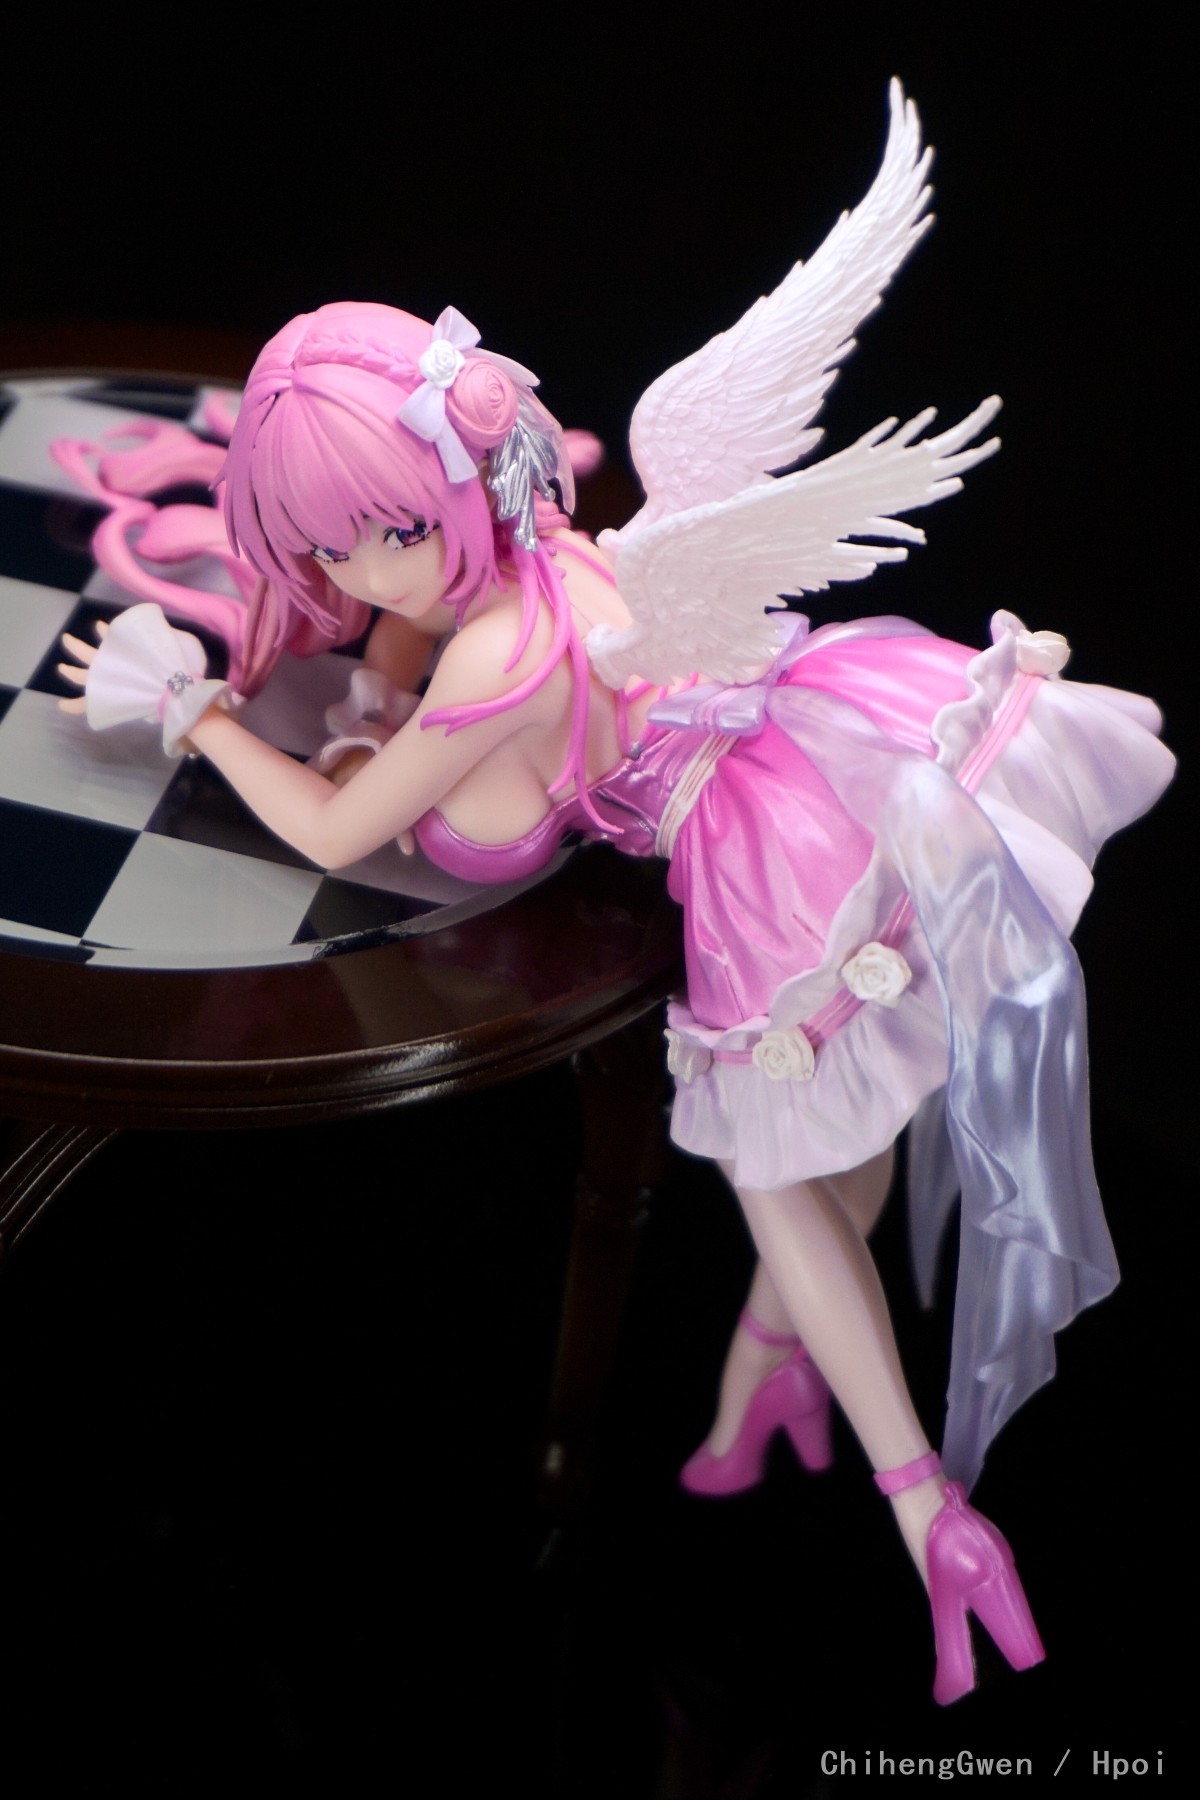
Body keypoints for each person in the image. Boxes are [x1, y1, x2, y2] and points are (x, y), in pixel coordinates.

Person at [57, 85, 1173, 1704]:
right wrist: (377, 645)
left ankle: (928, 1512)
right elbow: (417, 642)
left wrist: (195, 715)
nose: (362, 571)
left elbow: (337, 835)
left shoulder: (489, 659)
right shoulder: (556, 541)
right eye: (342, 545)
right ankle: (766, 1381)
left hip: (759, 829)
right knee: (840, 1130)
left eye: (377, 532)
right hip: (828, 739)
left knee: (781, 1174)